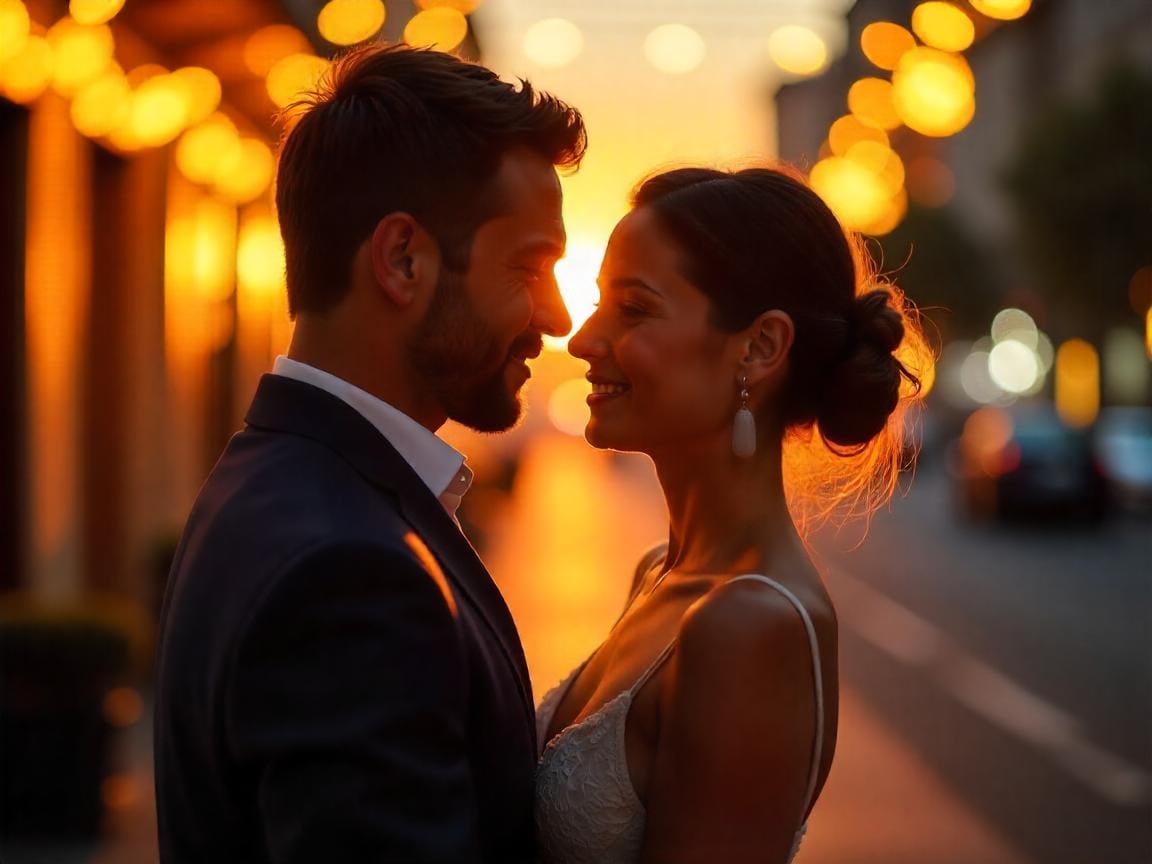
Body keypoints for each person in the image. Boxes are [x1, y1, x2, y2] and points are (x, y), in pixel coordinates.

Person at [153, 44, 585, 862]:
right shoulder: (350, 571)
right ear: (402, 260)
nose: (558, 318)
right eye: (530, 265)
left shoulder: (273, 476)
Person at [535, 166, 929, 863]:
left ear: (759, 348)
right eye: (599, 303)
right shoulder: (661, 571)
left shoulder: (751, 623)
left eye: (633, 310)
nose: (584, 340)